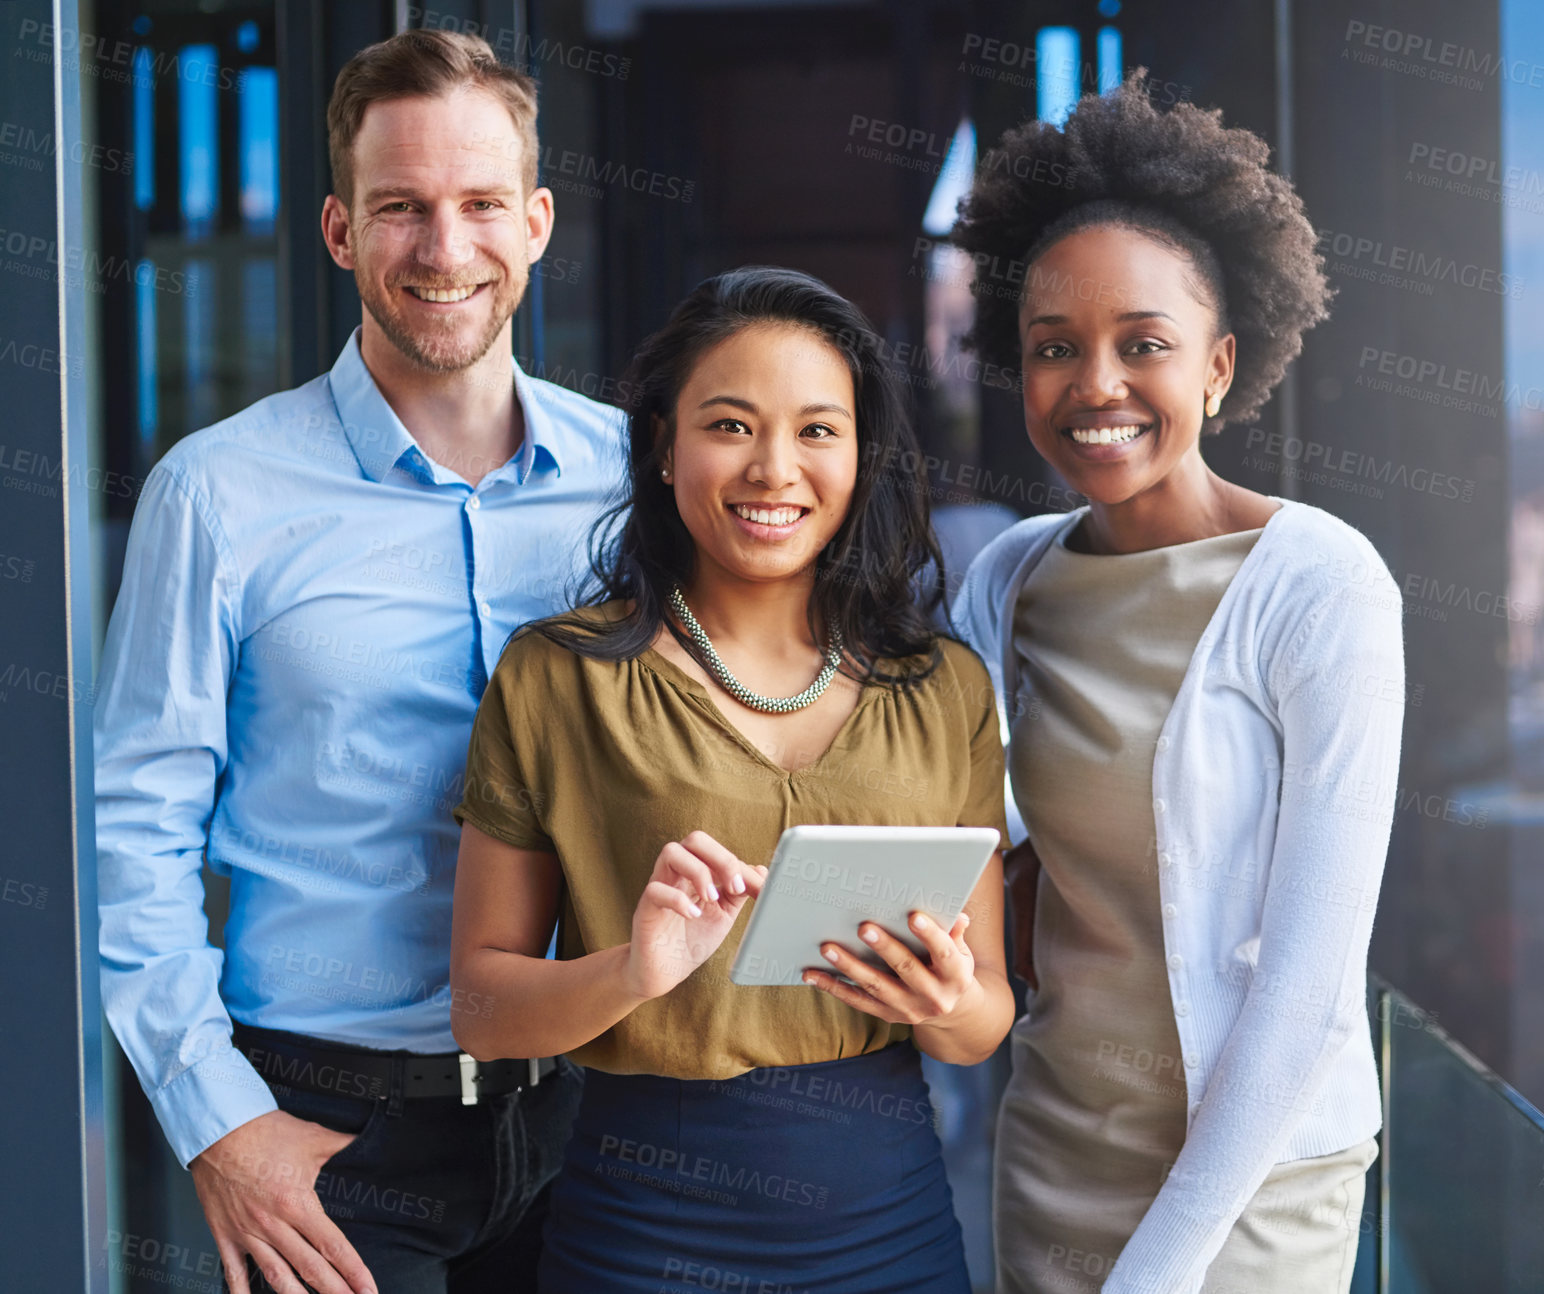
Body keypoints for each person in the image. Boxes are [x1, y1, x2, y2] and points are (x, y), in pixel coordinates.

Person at [95, 30, 624, 1294]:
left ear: (537, 221)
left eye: (480, 204)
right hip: (327, 1134)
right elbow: (132, 830)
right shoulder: (215, 494)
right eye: (400, 209)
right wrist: (219, 1122)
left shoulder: (630, 478)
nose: (444, 251)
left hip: (591, 1114)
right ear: (339, 230)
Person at [447, 266, 1017, 1294]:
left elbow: (982, 1024)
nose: (772, 469)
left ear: (860, 456)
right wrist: (631, 972)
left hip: (888, 1225)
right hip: (640, 1234)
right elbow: (483, 1008)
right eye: (729, 424)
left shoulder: (945, 688)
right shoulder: (559, 677)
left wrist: (940, 1000)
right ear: (664, 446)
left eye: (815, 430)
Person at [950, 74, 1405, 1294]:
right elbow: (959, 845)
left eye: (1141, 344)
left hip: (1256, 1179)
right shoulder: (1003, 581)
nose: (1094, 383)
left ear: (1215, 366)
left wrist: (1156, 1271)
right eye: (1054, 348)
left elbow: (1308, 990)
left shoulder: (1320, 585)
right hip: (1052, 1148)